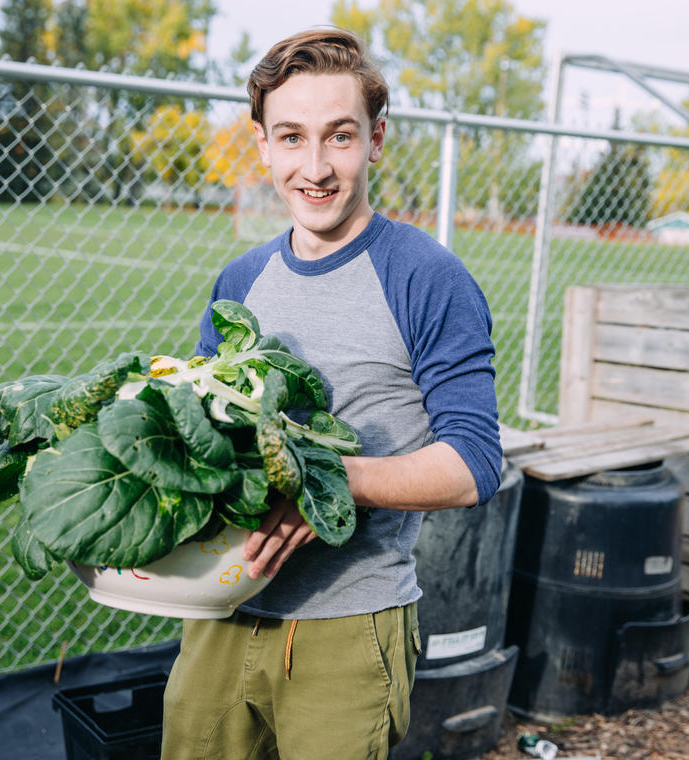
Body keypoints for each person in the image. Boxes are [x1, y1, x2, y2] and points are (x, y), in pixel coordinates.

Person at [161, 26, 502, 760]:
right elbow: (201, 433)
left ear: (377, 140)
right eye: (291, 138)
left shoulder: (425, 276)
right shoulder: (240, 281)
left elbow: (475, 463)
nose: (314, 167)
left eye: (339, 137)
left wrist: (329, 483)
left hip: (349, 628)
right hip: (218, 609)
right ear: (262, 146)